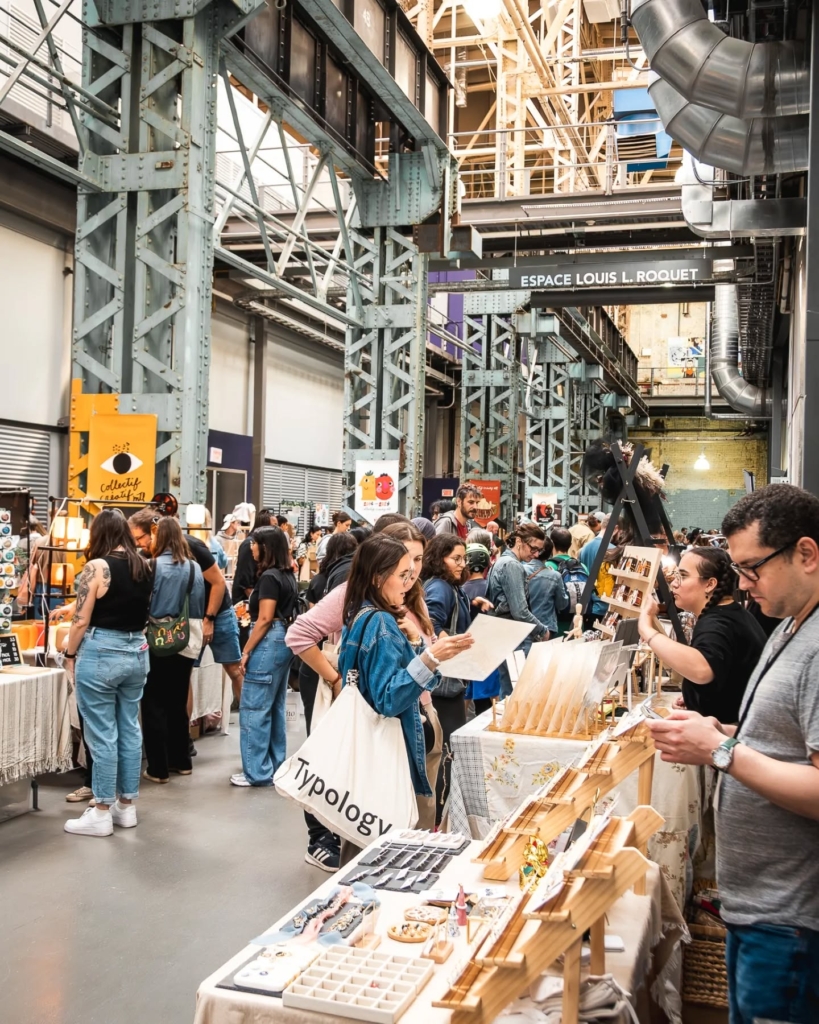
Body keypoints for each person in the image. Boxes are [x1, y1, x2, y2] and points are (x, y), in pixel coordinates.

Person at [644, 484, 819, 1024]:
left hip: (790, 919)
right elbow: (785, 739)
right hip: (761, 908)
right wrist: (721, 729)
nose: (743, 584)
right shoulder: (791, 626)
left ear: (806, 554)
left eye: (752, 569)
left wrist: (721, 750)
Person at [337, 536, 473, 862]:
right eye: (402, 575)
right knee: (384, 850)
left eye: (411, 573)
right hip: (388, 751)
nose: (409, 583)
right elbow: (388, 698)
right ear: (377, 577)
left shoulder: (362, 614)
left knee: (364, 843)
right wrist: (430, 657)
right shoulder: (381, 623)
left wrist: (415, 646)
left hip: (368, 751)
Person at [62, 510, 153, 837]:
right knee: (129, 727)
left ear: (98, 534)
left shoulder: (97, 567)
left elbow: (80, 620)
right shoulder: (145, 565)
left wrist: (69, 654)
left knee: (101, 732)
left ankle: (100, 810)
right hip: (137, 651)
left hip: (102, 652)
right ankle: (125, 806)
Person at [637, 547, 766, 722]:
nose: (674, 583)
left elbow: (702, 669)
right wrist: (695, 697)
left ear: (710, 584)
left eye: (683, 576)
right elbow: (726, 674)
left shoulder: (717, 622)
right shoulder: (731, 614)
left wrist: (646, 628)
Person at [129, 508, 244, 702]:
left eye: (139, 538)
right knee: (184, 675)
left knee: (234, 669)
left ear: (154, 531)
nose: (138, 544)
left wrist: (209, 619)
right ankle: (185, 722)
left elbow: (218, 582)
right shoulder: (148, 556)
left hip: (217, 612)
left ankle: (251, 719)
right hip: (184, 619)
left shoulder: (192, 546)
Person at [231, 526, 298, 788]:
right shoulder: (287, 574)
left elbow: (265, 618)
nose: (251, 547)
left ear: (266, 547)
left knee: (255, 708)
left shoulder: (270, 577)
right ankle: (274, 766)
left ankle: (256, 771)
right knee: (273, 707)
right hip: (283, 640)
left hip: (269, 640)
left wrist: (246, 650)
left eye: (255, 543)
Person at [141, 518, 206, 784]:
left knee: (154, 702)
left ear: (159, 537)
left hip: (158, 640)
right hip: (187, 639)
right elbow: (198, 606)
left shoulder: (151, 566)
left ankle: (158, 769)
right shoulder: (194, 567)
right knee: (178, 700)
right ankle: (182, 761)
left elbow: (144, 603)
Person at [487, 522, 549, 696]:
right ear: (519, 541)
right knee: (519, 694)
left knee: (509, 692)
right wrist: (542, 630)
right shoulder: (512, 565)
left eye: (539, 551)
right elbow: (520, 610)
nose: (536, 554)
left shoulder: (503, 562)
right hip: (513, 637)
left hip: (505, 635)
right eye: (533, 548)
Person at [462, 544, 499, 713]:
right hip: (488, 648)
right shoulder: (490, 587)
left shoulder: (460, 590)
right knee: (493, 696)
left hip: (465, 646)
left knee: (464, 696)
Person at [524, 535, 569, 639]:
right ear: (550, 552)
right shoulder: (555, 576)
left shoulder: (519, 569)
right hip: (547, 628)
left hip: (523, 626)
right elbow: (562, 604)